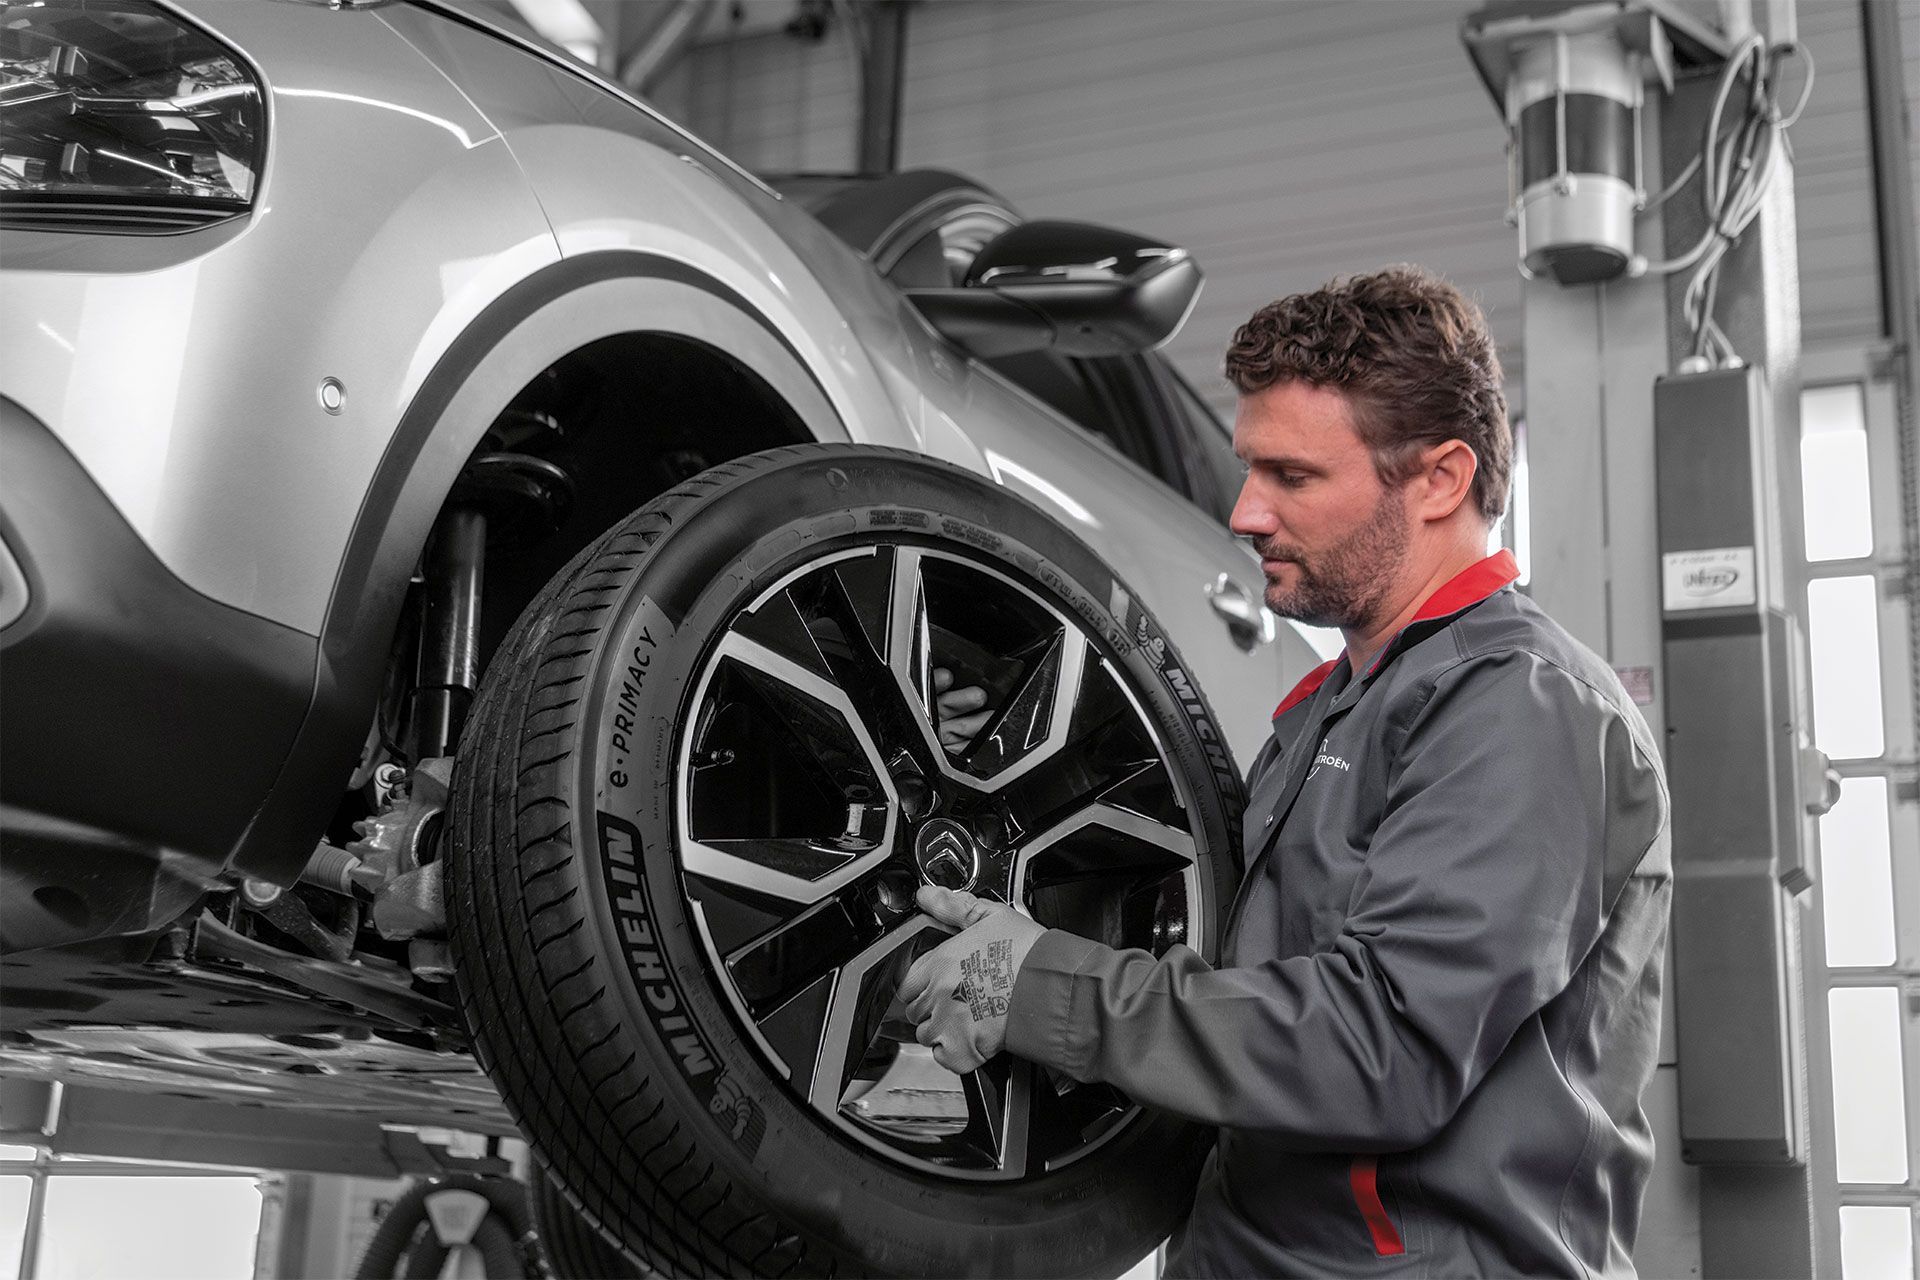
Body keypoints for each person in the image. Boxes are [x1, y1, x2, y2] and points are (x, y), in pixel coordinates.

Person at [899, 266, 1672, 1278]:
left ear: (1440, 478)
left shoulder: (1522, 708)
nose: (1243, 512)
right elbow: (1222, 985)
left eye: (1292, 476)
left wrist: (1039, 984)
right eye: (1248, 469)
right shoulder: (1331, 707)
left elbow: (1378, 1048)